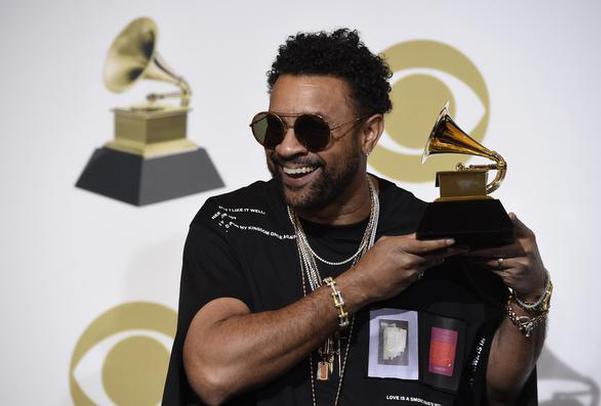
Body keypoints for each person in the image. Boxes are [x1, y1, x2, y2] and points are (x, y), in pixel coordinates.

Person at [162, 28, 551, 406]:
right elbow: (213, 373)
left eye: (313, 130)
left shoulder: (427, 235)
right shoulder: (233, 222)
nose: (286, 147)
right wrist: (359, 286)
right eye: (273, 128)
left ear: (369, 133)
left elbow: (496, 388)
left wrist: (530, 297)